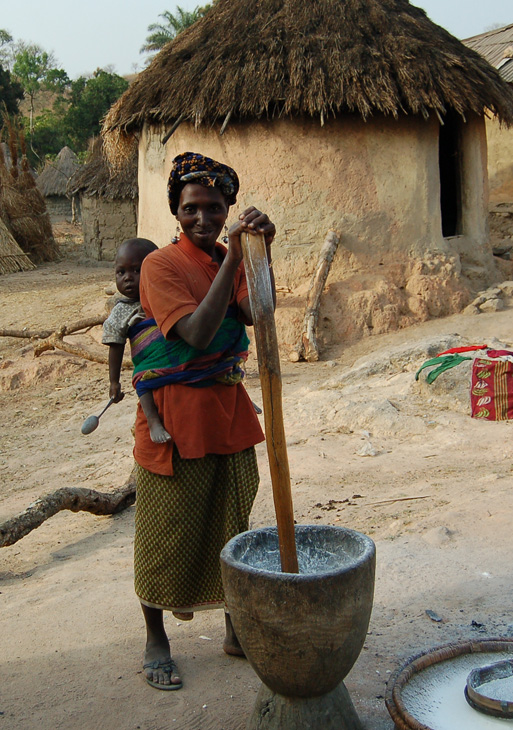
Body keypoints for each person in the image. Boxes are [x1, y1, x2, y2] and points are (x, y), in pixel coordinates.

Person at [133, 151, 276, 690]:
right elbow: (194, 333)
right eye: (192, 207)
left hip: (228, 413)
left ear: (228, 209)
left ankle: (236, 629)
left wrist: (260, 254)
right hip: (177, 419)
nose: (203, 218)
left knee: (232, 525)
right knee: (165, 532)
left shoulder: (227, 257)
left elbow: (259, 311)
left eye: (214, 208)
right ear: (176, 210)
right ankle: (156, 639)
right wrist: (235, 259)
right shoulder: (160, 266)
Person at [102, 238, 172, 444]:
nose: (128, 278)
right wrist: (114, 382)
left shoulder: (168, 296)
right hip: (148, 364)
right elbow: (115, 345)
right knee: (142, 383)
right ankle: (153, 421)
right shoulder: (121, 311)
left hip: (177, 356)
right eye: (121, 272)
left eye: (136, 270)